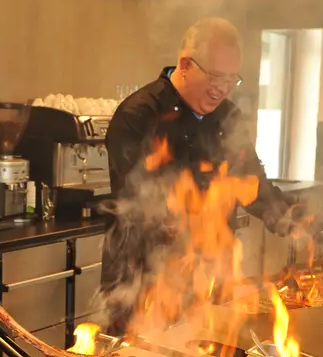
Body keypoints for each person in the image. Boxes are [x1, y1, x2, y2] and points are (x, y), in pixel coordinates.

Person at [101, 17, 305, 333]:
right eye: (215, 76)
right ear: (185, 64)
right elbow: (140, 200)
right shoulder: (138, 115)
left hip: (209, 277)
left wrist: (286, 214)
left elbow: (250, 180)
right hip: (142, 277)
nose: (221, 89)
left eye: (231, 79)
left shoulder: (228, 117)